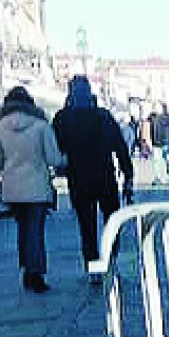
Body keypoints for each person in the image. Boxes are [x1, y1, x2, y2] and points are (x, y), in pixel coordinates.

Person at [51, 76, 134, 282]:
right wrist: (128, 174)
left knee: (86, 226)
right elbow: (120, 147)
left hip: (78, 178)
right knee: (111, 221)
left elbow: (56, 150)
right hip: (104, 176)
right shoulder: (103, 116)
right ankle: (111, 260)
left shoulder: (62, 118)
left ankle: (93, 267)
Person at [0, 86, 66, 293]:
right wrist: (67, 160)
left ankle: (27, 269)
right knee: (35, 230)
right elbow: (54, 159)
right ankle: (35, 274)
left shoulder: (0, 127)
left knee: (23, 229)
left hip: (12, 188)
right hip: (36, 186)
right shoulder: (40, 126)